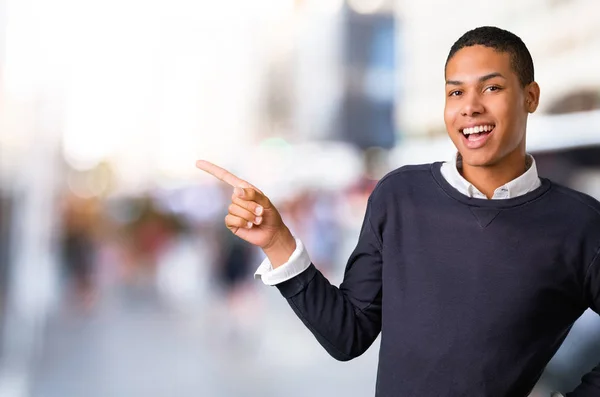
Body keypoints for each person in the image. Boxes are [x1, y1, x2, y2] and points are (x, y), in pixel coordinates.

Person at [196, 26, 600, 397]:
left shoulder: (579, 225)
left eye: (491, 88)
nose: (470, 107)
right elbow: (347, 335)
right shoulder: (400, 195)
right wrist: (277, 241)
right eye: (455, 92)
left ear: (530, 96)